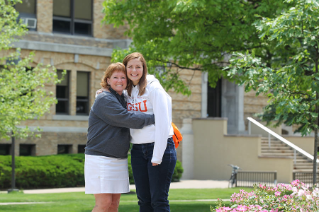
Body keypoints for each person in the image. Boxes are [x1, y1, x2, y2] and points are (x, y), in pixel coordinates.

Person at [85, 62, 155, 212]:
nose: (119, 81)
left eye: (123, 77)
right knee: (103, 204)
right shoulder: (105, 99)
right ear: (108, 80)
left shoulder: (122, 98)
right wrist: (156, 117)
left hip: (119, 158)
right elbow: (127, 118)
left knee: (114, 205)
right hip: (100, 158)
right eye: (115, 77)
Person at [123, 52, 176, 212]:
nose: (134, 70)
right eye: (130, 67)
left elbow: (163, 123)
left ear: (143, 68)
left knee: (158, 201)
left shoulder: (153, 88)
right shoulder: (127, 91)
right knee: (143, 201)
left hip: (159, 147)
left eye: (138, 67)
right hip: (138, 150)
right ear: (125, 69)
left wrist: (157, 155)